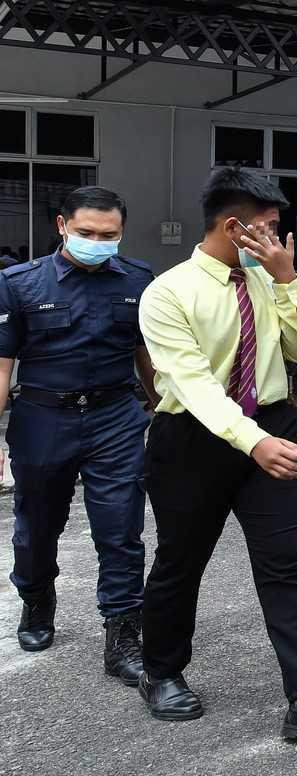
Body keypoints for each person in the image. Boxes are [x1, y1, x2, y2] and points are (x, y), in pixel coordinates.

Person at [137, 167, 297, 742]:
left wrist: (287, 281)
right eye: (270, 228)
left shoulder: (266, 280)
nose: (278, 239)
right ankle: (161, 670)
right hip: (194, 437)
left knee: (286, 566)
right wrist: (252, 441)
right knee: (182, 559)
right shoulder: (168, 292)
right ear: (235, 227)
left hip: (273, 425)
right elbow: (193, 384)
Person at [0, 186, 157, 684]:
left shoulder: (138, 279)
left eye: (109, 235)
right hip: (43, 419)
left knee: (122, 528)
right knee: (36, 526)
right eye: (87, 232)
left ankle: (123, 632)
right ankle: (35, 596)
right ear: (62, 226)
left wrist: (165, 411)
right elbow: (1, 367)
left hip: (116, 417)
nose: (98, 242)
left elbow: (147, 355)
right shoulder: (19, 283)